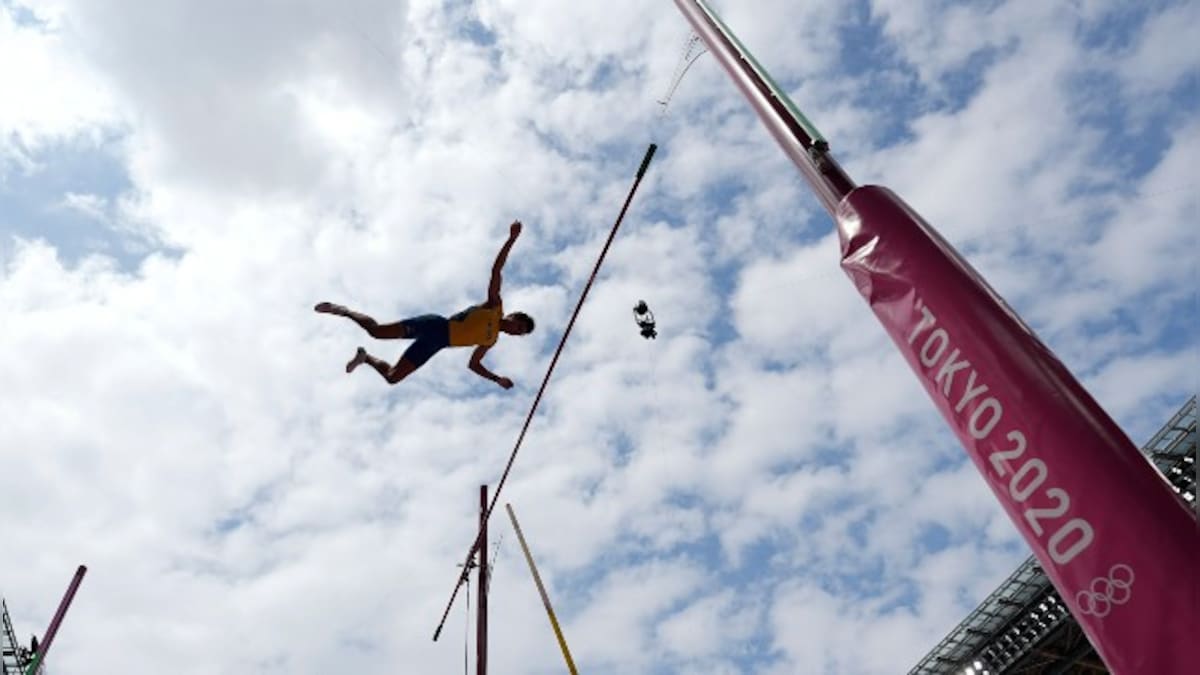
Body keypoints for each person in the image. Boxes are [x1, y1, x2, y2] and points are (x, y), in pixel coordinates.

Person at [315, 220, 535, 388]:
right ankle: (343, 311)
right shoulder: (494, 307)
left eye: (520, 334)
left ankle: (366, 358)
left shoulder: (491, 341)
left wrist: (497, 379)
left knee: (393, 378)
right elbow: (497, 271)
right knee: (377, 332)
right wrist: (511, 239)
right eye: (519, 327)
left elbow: (473, 365)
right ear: (514, 317)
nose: (517, 332)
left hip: (435, 345)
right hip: (435, 326)